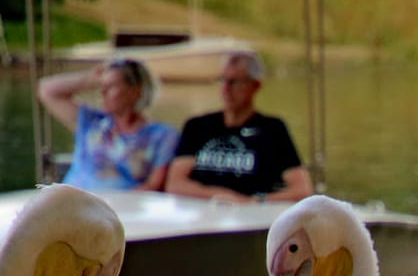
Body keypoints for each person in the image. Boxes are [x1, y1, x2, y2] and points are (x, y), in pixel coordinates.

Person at [166, 51, 312, 203]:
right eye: (223, 80)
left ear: (255, 85)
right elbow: (175, 184)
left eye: (235, 82)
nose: (226, 89)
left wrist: (254, 201)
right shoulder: (197, 126)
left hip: (250, 215)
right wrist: (219, 195)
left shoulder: (272, 130)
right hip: (201, 213)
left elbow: (302, 190)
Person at [36, 57, 178, 191]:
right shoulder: (91, 122)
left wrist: (112, 205)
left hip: (124, 209)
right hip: (72, 204)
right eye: (101, 86)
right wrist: (91, 79)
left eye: (111, 86)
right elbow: (47, 90)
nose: (102, 92)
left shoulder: (162, 135)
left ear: (136, 91)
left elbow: (154, 185)